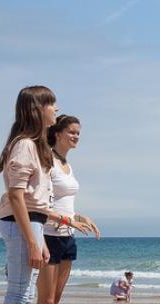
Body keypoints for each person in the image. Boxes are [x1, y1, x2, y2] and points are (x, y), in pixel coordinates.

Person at [0, 86, 89, 304]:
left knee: (25, 292)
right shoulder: (25, 145)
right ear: (38, 109)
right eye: (52, 104)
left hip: (32, 222)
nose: (56, 108)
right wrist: (33, 242)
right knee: (20, 292)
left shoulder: (33, 146)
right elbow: (16, 196)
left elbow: (33, 202)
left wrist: (41, 242)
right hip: (21, 222)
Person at [38, 115, 102, 304]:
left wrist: (80, 217)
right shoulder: (47, 160)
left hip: (68, 236)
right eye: (71, 132)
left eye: (78, 133)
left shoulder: (67, 164)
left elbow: (62, 203)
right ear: (57, 134)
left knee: (56, 298)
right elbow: (39, 205)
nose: (76, 136)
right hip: (48, 235)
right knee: (47, 300)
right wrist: (67, 220)